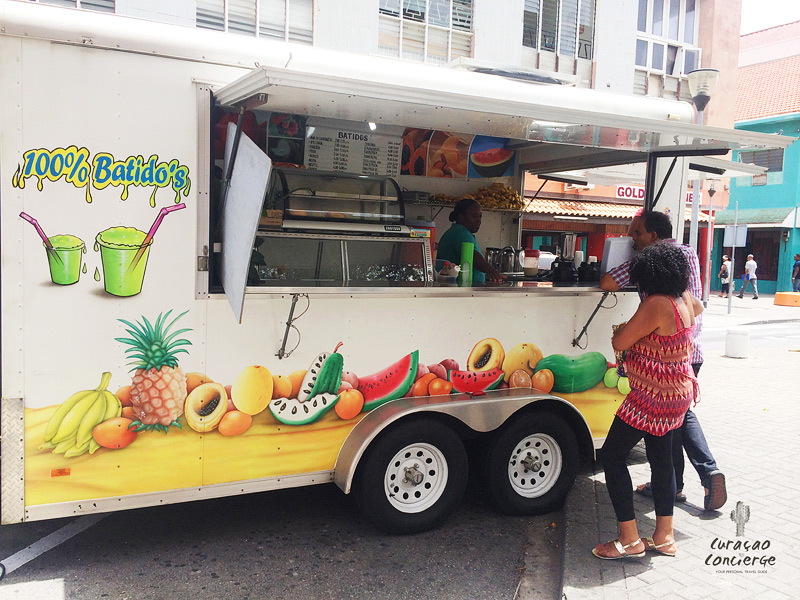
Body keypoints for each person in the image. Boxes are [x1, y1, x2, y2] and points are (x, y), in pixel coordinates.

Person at [600, 211, 726, 511]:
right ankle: (683, 487)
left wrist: (653, 329)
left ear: (654, 236)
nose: (634, 241)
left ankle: (698, 475)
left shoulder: (651, 266)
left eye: (637, 234)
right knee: (674, 425)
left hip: (659, 369)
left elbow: (607, 283)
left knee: (650, 438)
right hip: (688, 355)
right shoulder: (687, 256)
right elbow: (698, 306)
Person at [593, 242, 702, 560]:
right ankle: (664, 536)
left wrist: (632, 330)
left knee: (612, 457)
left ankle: (629, 539)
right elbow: (698, 310)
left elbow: (620, 340)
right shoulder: (684, 300)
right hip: (677, 395)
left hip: (650, 398)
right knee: (661, 460)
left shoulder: (656, 303)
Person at [436, 198, 503, 283]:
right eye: (474, 216)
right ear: (461, 217)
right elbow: (474, 257)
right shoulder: (460, 233)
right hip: (461, 289)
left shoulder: (456, 232)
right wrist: (492, 271)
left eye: (480, 216)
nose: (479, 221)